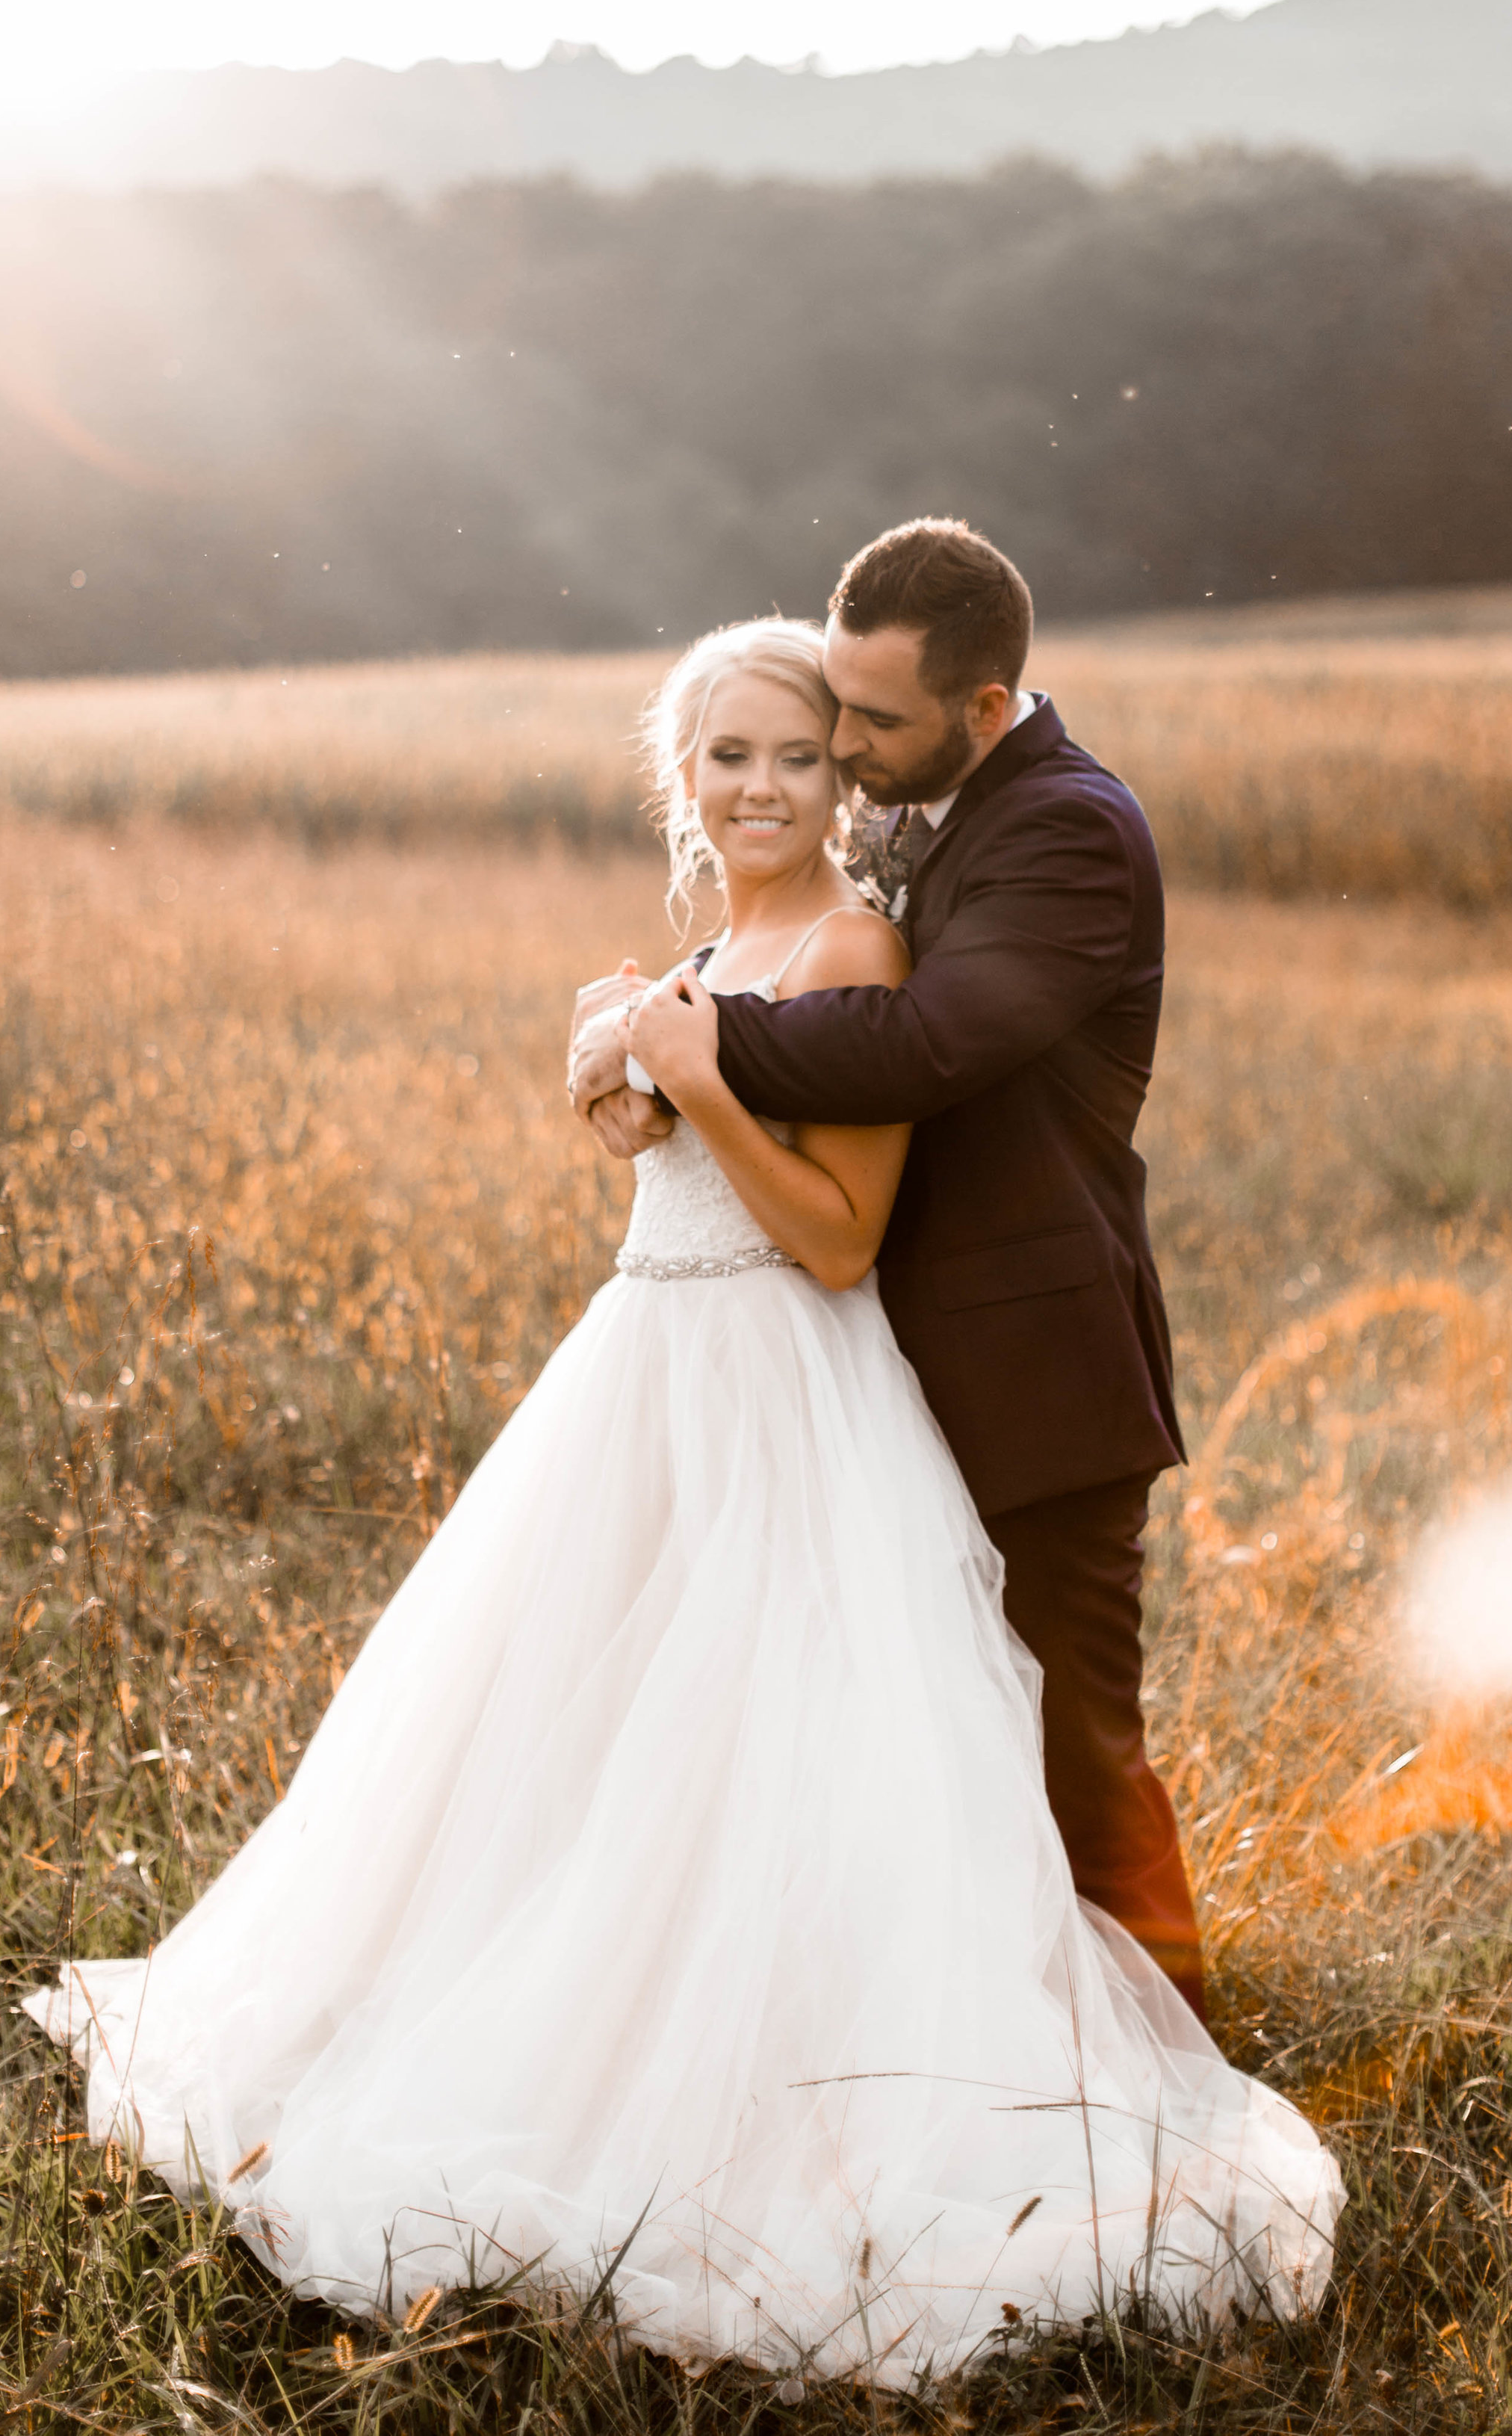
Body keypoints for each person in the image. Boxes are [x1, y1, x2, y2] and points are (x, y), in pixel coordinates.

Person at [28, 612, 1338, 2384]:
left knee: (791, 1763)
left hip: (788, 1406)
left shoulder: (860, 936)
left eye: (802, 755)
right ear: (681, 773)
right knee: (575, 1755)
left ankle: (862, 2100)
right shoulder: (712, 944)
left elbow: (833, 1240)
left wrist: (700, 1079)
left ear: (848, 774)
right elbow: (689, 1154)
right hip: (639, 1390)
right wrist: (629, 1100)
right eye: (728, 756)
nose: (764, 786)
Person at [571, 519, 1202, 2012]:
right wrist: (633, 1029)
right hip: (881, 1375)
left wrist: (677, 1044)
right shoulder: (941, 811)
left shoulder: (1065, 829)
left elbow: (919, 1047)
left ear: (982, 711)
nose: (840, 751)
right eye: (824, 713)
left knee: (1066, 1745)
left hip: (1030, 1373)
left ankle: (1164, 2057)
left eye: (867, 724)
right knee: (910, 1750)